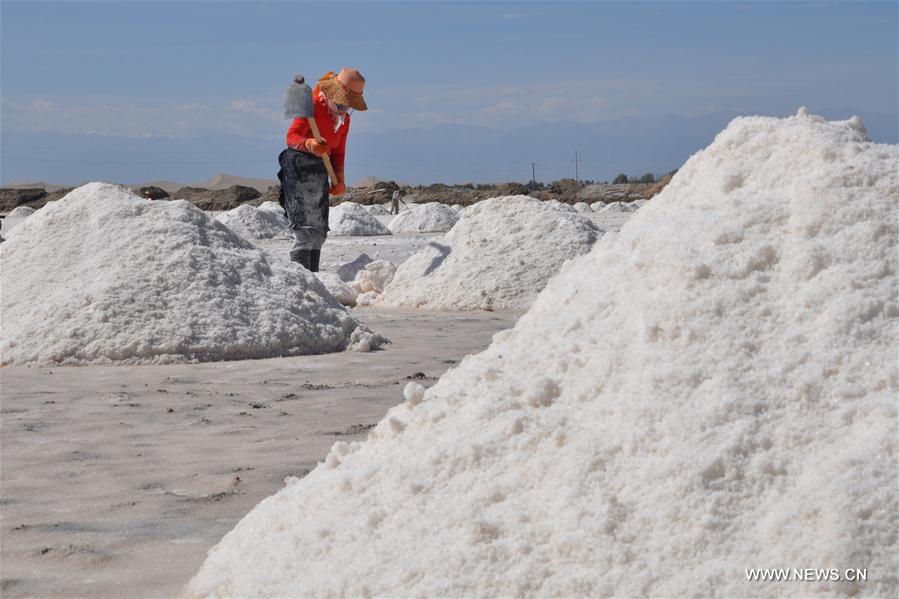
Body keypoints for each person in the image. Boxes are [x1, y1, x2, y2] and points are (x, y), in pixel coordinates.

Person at [277, 67, 367, 271]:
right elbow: (291, 137)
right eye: (342, 101)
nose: (344, 107)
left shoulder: (344, 120)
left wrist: (339, 178)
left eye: (348, 104)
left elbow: (339, 152)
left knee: (318, 232)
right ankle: (301, 280)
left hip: (320, 169)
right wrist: (310, 144)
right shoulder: (313, 106)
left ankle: (314, 281)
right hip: (298, 166)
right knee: (304, 230)